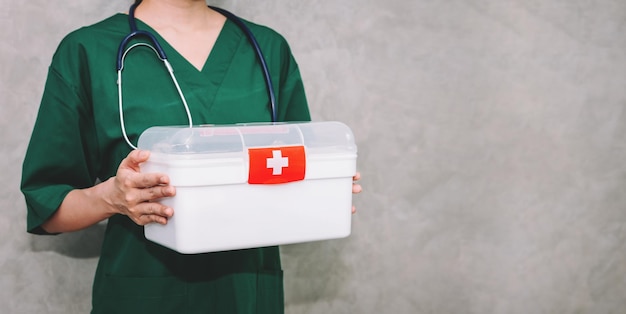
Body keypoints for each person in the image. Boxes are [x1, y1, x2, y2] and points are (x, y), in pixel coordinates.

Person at [20, 0, 362, 313]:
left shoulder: (268, 50)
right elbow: (47, 206)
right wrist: (111, 199)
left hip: (248, 294)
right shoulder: (88, 51)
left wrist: (319, 193)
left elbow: (295, 164)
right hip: (144, 293)